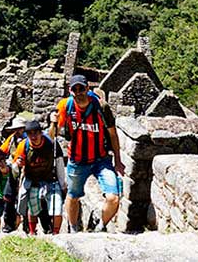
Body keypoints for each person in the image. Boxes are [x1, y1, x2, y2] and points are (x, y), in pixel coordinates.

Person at [51, 74, 125, 233]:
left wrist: (118, 161)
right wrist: (53, 122)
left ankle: (100, 226)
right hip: (77, 160)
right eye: (75, 89)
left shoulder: (101, 107)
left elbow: (113, 134)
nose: (79, 92)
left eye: (81, 88)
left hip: (101, 159)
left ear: (87, 89)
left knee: (113, 198)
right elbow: (52, 136)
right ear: (70, 91)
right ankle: (73, 229)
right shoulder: (66, 106)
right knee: (73, 196)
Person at [13, 120, 66, 235]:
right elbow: (15, 169)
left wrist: (62, 184)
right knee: (33, 209)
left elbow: (60, 163)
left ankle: (56, 233)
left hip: (50, 179)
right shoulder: (23, 145)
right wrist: (17, 165)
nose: (33, 136)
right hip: (33, 181)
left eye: (36, 133)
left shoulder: (52, 144)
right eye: (30, 133)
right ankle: (32, 232)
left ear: (41, 132)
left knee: (57, 209)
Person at [0, 116, 27, 232]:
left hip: (25, 170)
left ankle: (24, 224)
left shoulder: (28, 140)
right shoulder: (11, 139)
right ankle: (9, 225)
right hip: (13, 171)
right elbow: (3, 152)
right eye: (15, 129)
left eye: (19, 129)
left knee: (22, 198)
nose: (17, 131)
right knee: (8, 197)